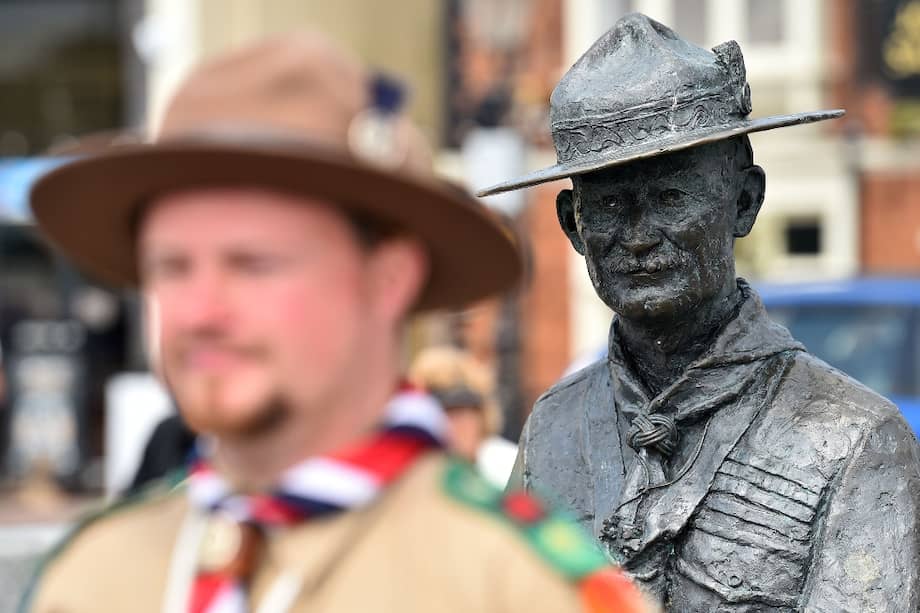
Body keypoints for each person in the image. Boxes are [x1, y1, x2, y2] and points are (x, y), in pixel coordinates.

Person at [21, 32, 654, 613]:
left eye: (253, 264)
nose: (201, 310)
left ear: (389, 279)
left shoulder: (515, 590)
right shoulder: (90, 583)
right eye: (172, 267)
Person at [479, 13, 920, 612]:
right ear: (572, 225)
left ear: (744, 202)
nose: (639, 237)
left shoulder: (853, 441)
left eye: (670, 198)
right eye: (610, 205)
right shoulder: (553, 430)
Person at [408, 345, 518, 487]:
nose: (459, 425)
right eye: (448, 412)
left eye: (467, 411)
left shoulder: (509, 467)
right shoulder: (407, 476)